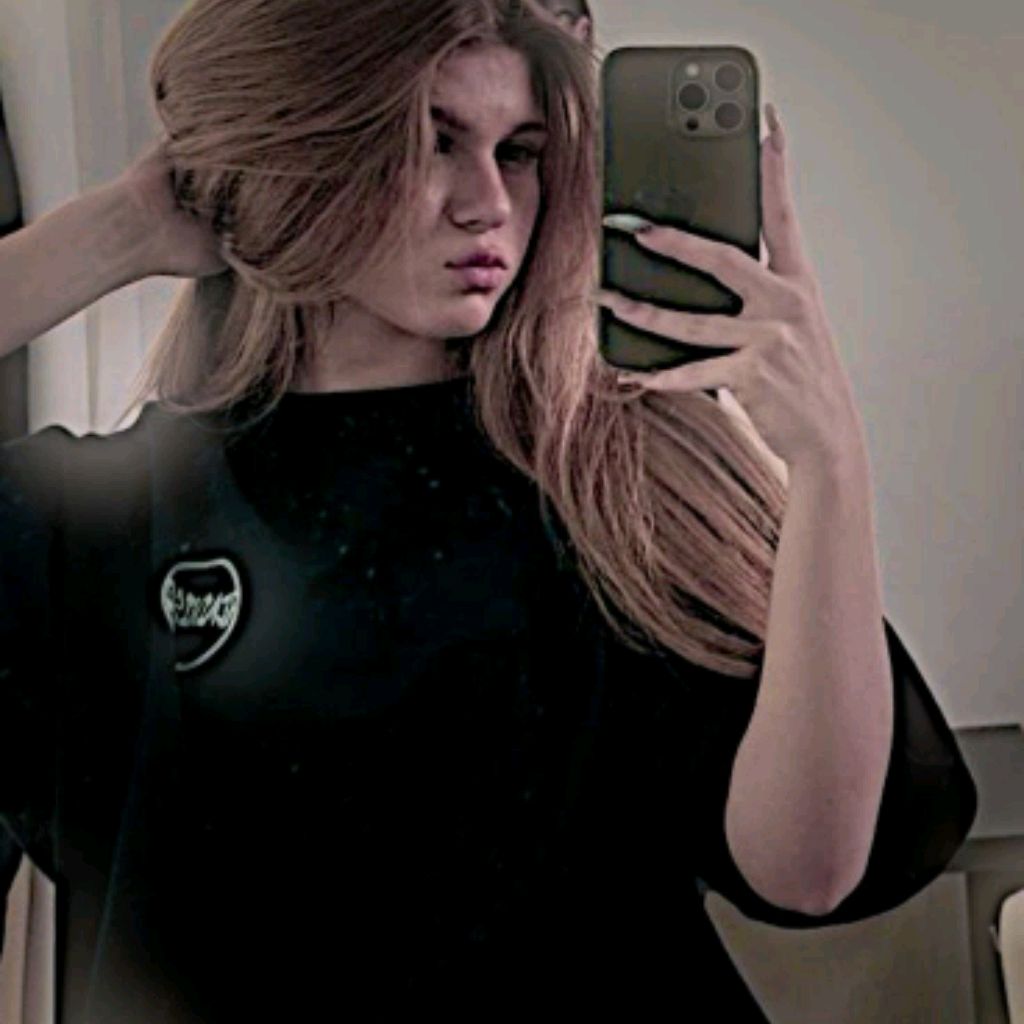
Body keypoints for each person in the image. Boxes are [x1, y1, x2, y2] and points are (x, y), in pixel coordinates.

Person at [0, 1, 975, 1020]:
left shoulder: (627, 473)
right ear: (309, 147)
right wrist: (123, 228)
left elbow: (808, 871)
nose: (489, 205)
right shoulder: (117, 515)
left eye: (519, 151)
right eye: (433, 141)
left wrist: (829, 461)